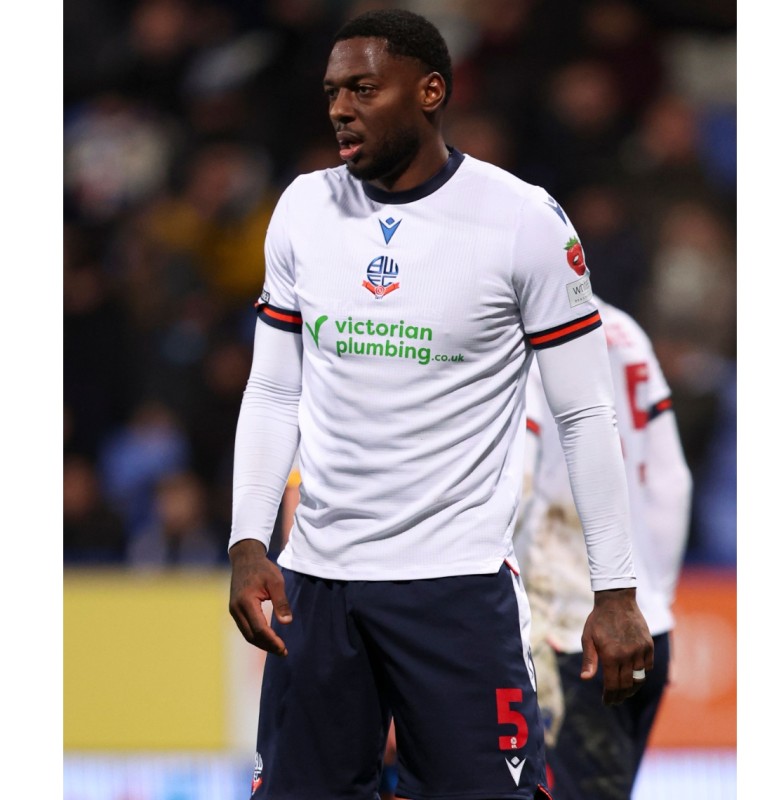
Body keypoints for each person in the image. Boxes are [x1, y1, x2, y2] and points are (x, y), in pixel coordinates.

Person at [227, 9, 653, 800]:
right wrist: (249, 540)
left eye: (362, 88)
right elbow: (273, 388)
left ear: (430, 91)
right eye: (331, 92)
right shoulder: (301, 210)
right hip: (318, 588)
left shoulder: (523, 220)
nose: (340, 108)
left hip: (454, 590)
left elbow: (585, 413)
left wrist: (616, 590)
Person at [516, 296, 692, 799]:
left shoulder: (520, 334)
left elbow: (518, 484)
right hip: (643, 628)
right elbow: (671, 482)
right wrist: (655, 604)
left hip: (568, 633)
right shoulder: (625, 331)